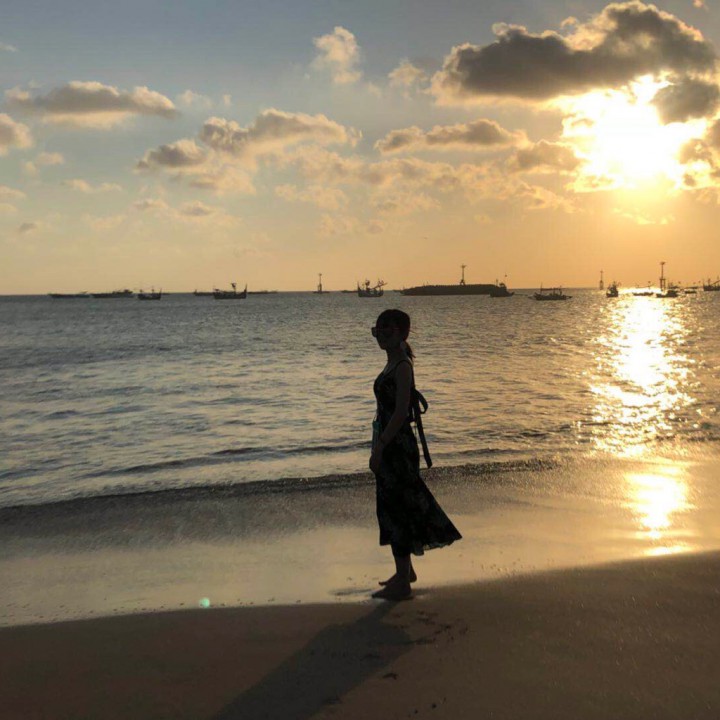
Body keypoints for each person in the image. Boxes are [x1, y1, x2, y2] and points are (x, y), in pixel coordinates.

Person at [369, 309, 462, 601]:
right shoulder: (391, 363)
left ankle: (403, 581)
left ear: (402, 333)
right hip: (389, 442)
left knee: (398, 509)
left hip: (397, 446)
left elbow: (399, 414)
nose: (381, 336)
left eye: (388, 330)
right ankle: (404, 572)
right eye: (377, 331)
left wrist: (381, 446)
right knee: (392, 507)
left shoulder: (402, 366)